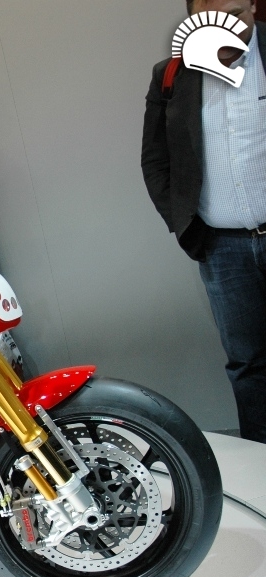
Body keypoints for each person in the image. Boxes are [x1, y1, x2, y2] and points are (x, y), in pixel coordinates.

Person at [141, 0, 266, 444]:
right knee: (248, 365)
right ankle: (260, 459)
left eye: (236, 12)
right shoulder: (171, 75)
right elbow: (156, 159)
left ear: (253, 5)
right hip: (224, 250)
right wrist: (185, 225)